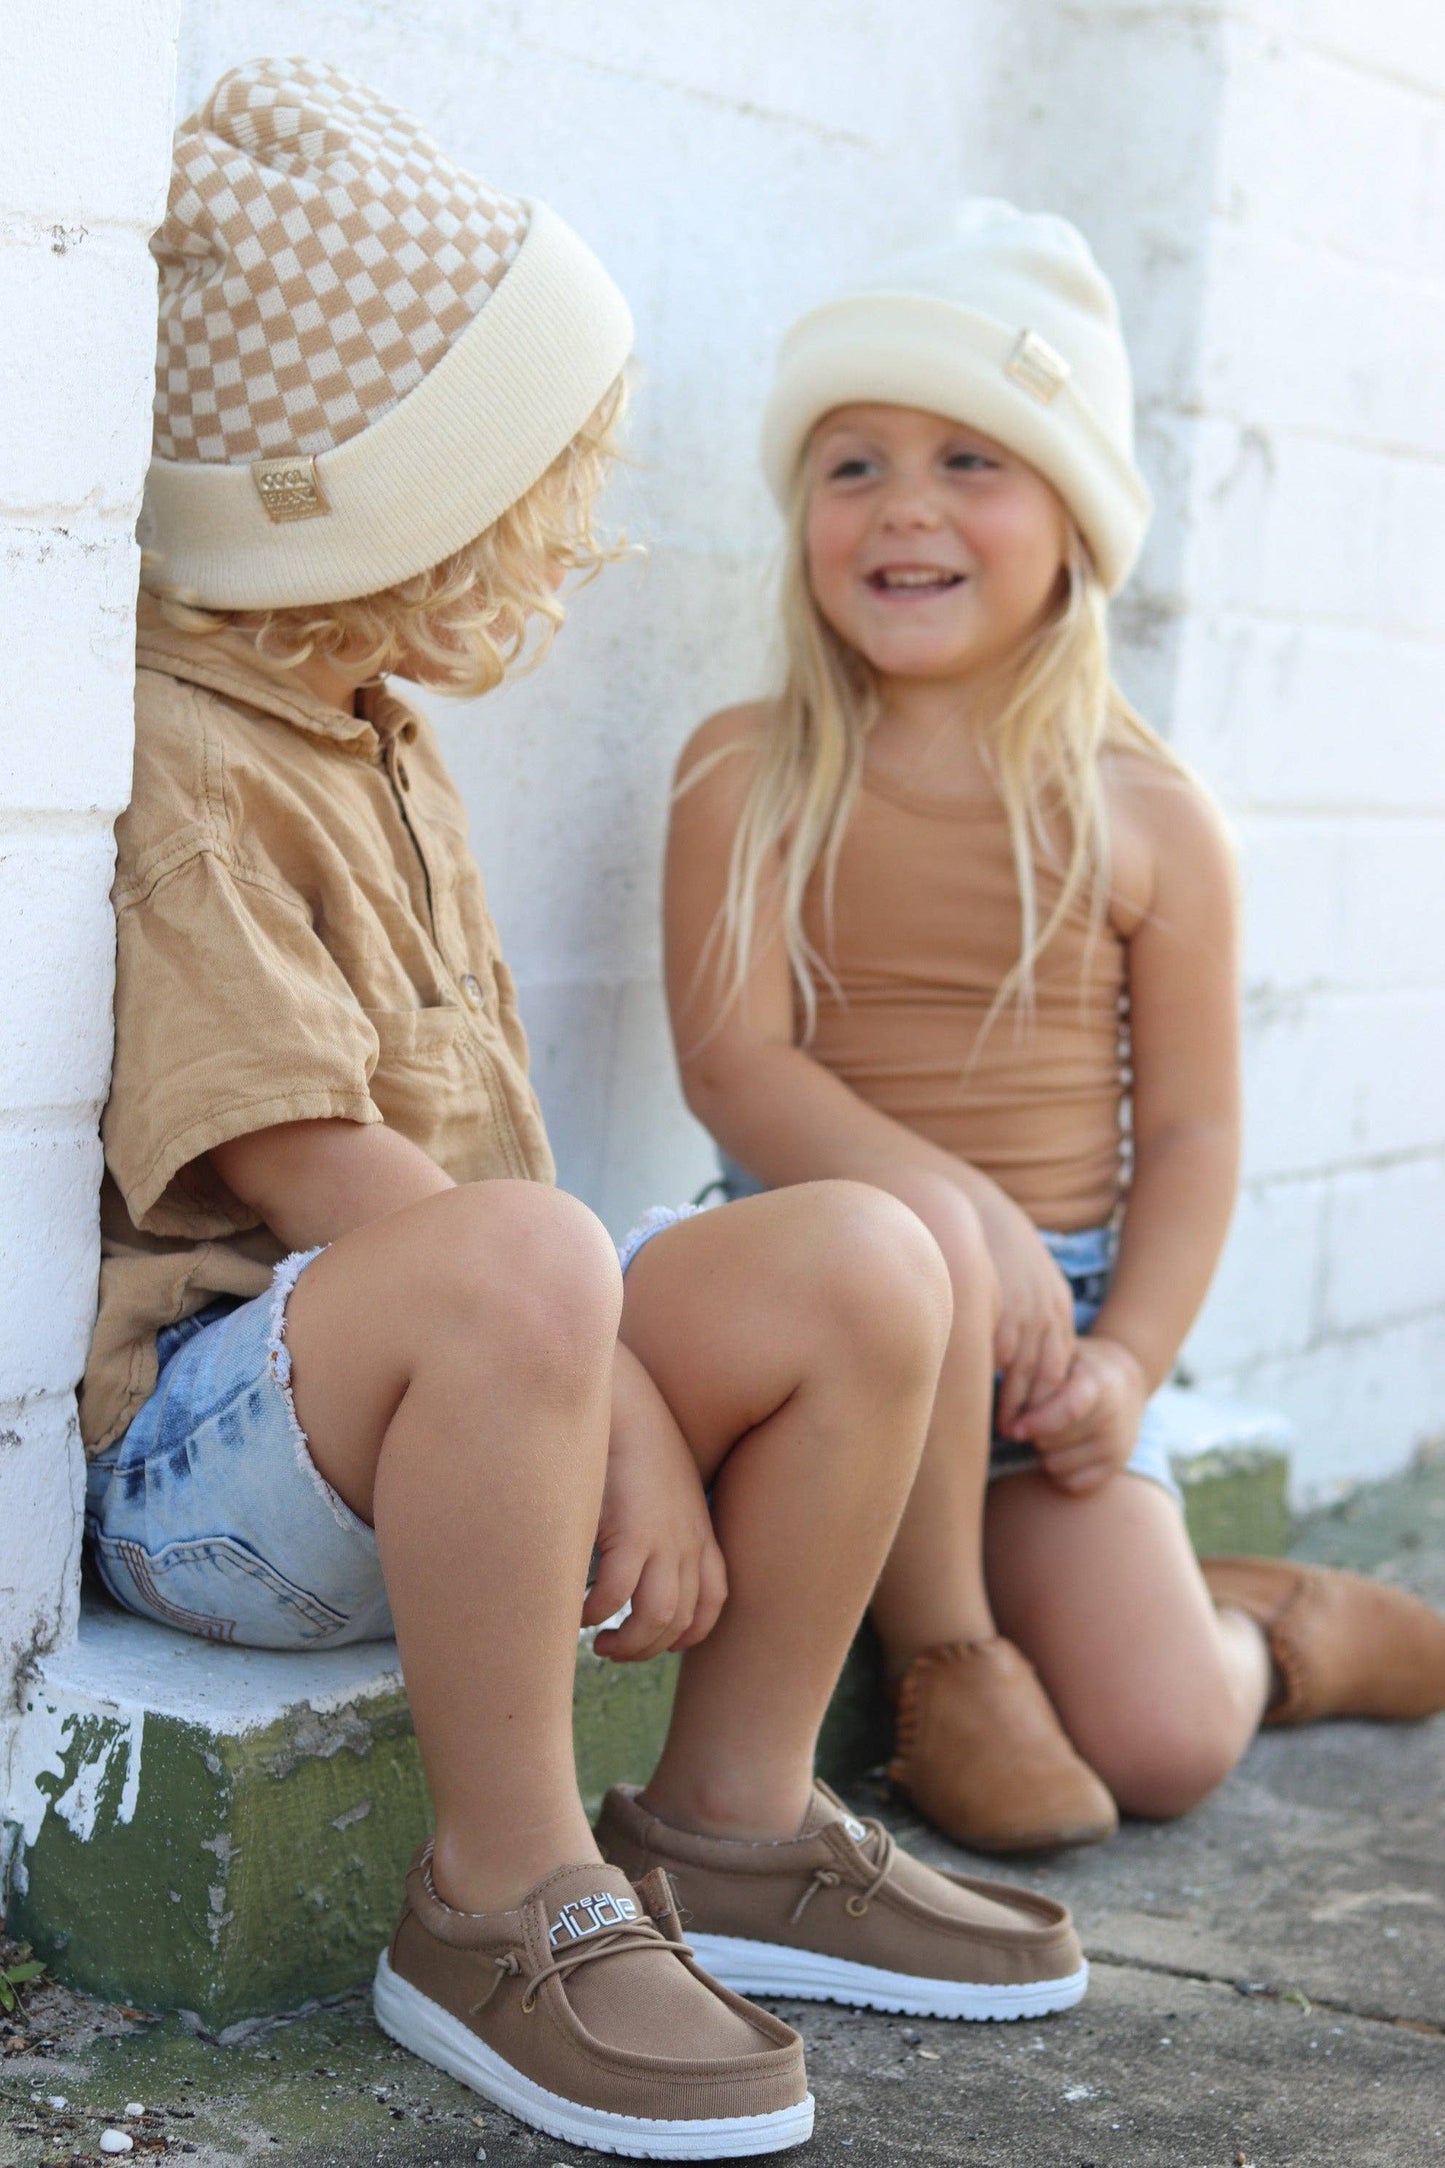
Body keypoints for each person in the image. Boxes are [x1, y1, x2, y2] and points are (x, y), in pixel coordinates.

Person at [83, 72, 1088, 2159]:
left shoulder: (371, 734)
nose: (564, 544)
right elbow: (319, 1170)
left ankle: (727, 1819)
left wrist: (603, 1364)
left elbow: (492, 1204)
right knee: (540, 1249)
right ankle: (497, 1892)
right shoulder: (188, 754)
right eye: (526, 500)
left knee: (860, 1254)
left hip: (456, 1411)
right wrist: (620, 1389)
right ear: (382, 498)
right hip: (223, 1468)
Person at [663, 200, 1445, 1858]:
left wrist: (1123, 1363)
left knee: (1163, 1745)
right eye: (850, 463)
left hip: (1047, 1345)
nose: (903, 508)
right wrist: (956, 1214)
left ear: (1076, 522)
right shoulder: (746, 769)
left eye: (971, 459)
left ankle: (1271, 1628)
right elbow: (730, 1066)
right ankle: (952, 1656)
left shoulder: (1149, 817)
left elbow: (1191, 1137)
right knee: (920, 1230)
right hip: (848, 1314)